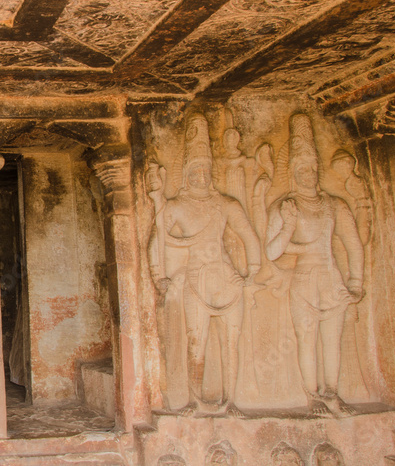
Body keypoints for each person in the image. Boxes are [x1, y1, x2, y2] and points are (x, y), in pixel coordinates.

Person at [150, 114, 261, 417]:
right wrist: (159, 275)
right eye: (195, 170)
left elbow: (250, 237)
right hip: (196, 278)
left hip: (226, 277)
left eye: (205, 170)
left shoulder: (225, 204)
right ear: (186, 173)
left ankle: (232, 401)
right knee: (196, 343)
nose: (201, 176)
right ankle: (197, 400)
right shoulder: (176, 207)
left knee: (232, 343)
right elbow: (156, 239)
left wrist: (251, 271)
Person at [265, 114, 364, 417]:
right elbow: (271, 252)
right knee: (306, 339)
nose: (309, 174)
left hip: (332, 279)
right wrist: (289, 227)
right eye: (302, 169)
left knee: (332, 341)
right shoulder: (287, 206)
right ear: (294, 172)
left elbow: (353, 244)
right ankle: (313, 395)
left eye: (312, 168)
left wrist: (356, 282)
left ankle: (332, 393)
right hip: (304, 281)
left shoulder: (335, 205)